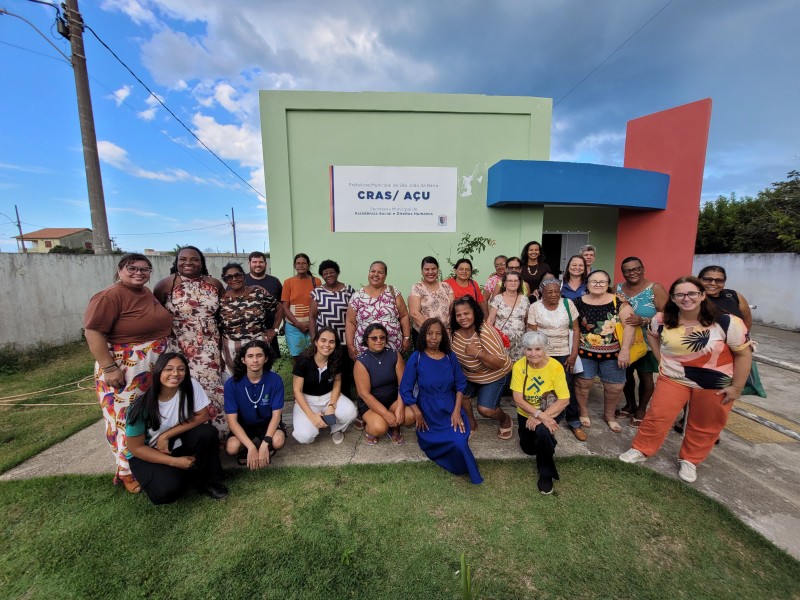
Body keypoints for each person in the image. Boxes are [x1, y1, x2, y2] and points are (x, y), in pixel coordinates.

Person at [619, 277, 753, 483]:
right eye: (680, 294)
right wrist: (660, 358)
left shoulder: (727, 322)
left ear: (702, 295)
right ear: (672, 297)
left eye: (691, 293)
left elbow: (744, 354)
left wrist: (737, 387)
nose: (686, 298)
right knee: (658, 415)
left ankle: (690, 460)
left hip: (714, 382)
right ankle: (641, 449)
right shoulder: (662, 319)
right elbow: (652, 335)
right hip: (674, 377)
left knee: (705, 423)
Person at [83, 253, 173, 493]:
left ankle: (146, 457)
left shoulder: (146, 294)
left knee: (148, 412)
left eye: (145, 269)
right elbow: (92, 332)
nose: (139, 273)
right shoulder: (108, 296)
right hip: (126, 366)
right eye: (132, 268)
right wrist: (109, 367)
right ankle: (126, 470)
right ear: (120, 270)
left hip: (152, 363)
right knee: (125, 417)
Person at [125, 352, 228, 504]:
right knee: (167, 492)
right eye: (169, 369)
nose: (175, 373)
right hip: (146, 454)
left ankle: (208, 481)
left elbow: (203, 415)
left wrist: (165, 436)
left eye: (181, 369)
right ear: (158, 371)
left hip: (172, 443)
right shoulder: (140, 407)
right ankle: (184, 471)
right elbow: (136, 448)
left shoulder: (190, 386)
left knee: (207, 432)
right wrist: (174, 462)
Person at [154, 246, 227, 437]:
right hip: (180, 344)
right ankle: (183, 434)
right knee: (180, 385)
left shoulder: (214, 284)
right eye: (183, 259)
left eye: (194, 259)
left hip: (209, 345)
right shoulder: (165, 285)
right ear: (176, 262)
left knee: (211, 387)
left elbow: (223, 314)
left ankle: (217, 434)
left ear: (201, 262)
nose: (188, 263)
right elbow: (156, 314)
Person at [399, 318, 483, 484]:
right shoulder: (417, 358)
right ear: (423, 335)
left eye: (438, 334)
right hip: (428, 412)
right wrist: (417, 413)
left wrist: (457, 411)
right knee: (434, 441)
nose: (433, 337)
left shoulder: (450, 357)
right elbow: (405, 389)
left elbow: (460, 384)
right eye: (430, 333)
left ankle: (466, 469)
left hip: (450, 408)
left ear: (443, 337)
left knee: (459, 442)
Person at [572, 270, 635, 433]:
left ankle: (609, 416)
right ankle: (583, 412)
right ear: (587, 284)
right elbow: (574, 327)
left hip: (614, 353)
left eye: (602, 282)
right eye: (594, 281)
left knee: (615, 387)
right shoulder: (578, 302)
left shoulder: (619, 302)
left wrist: (625, 350)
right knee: (583, 383)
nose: (598, 285)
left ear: (608, 284)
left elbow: (630, 326)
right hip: (585, 352)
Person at [510, 331, 571, 495]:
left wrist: (543, 417)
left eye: (538, 349)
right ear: (524, 350)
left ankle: (546, 475)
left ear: (545, 349)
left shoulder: (555, 366)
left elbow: (564, 399)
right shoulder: (519, 366)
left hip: (551, 410)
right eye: (529, 349)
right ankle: (549, 442)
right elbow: (518, 399)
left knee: (543, 431)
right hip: (527, 414)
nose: (533, 353)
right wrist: (539, 415)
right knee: (529, 449)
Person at [527, 277, 586, 441]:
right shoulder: (535, 307)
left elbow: (575, 329)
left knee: (566, 387)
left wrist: (573, 354)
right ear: (541, 293)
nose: (553, 295)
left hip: (564, 353)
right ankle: (544, 418)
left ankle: (574, 422)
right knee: (542, 387)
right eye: (549, 292)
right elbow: (532, 334)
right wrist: (537, 356)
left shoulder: (568, 304)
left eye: (556, 291)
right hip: (542, 354)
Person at [450, 295, 513, 440]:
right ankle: (472, 424)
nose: (462, 318)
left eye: (466, 313)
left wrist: (478, 354)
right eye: (458, 315)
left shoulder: (484, 331)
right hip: (471, 375)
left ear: (474, 313)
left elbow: (499, 363)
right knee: (461, 394)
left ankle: (505, 419)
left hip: (495, 374)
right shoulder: (454, 332)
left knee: (486, 409)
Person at [615, 257, 668, 427]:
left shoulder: (655, 288)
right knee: (626, 374)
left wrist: (644, 320)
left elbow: (667, 316)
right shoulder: (617, 288)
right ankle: (630, 404)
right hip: (624, 341)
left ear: (643, 269)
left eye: (636, 269)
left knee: (645, 376)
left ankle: (642, 409)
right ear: (623, 272)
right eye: (628, 270)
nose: (632, 273)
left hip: (647, 342)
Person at [224, 340, 286, 469]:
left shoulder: (275, 380)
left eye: (259, 355)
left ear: (266, 359)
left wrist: (265, 444)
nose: (255, 360)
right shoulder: (231, 384)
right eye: (250, 356)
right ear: (243, 360)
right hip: (244, 425)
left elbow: (276, 415)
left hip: (267, 423)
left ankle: (265, 445)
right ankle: (247, 447)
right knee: (231, 448)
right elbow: (232, 421)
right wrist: (251, 447)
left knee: (278, 441)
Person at [292, 327, 357, 445]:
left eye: (332, 342)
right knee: (304, 436)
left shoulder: (336, 358)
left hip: (328, 397)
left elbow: (337, 382)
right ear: (316, 342)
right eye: (323, 340)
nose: (327, 345)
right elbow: (297, 390)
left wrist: (332, 405)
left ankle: (335, 429)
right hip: (307, 399)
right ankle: (316, 426)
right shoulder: (304, 359)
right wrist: (312, 416)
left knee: (351, 412)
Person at [354, 323, 414, 445]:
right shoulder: (361, 362)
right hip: (370, 403)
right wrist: (386, 414)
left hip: (392, 399)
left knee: (409, 416)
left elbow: (403, 384)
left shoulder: (394, 354)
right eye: (374, 338)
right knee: (379, 428)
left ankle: (394, 427)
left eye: (382, 337)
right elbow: (364, 395)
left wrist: (400, 408)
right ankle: (369, 428)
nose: (379, 341)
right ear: (366, 339)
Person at [218, 262, 283, 375]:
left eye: (238, 275)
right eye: (229, 277)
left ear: (243, 276)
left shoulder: (257, 293)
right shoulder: (222, 299)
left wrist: (275, 329)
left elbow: (279, 308)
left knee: (262, 376)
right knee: (237, 379)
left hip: (258, 344)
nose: (234, 279)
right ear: (225, 280)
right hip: (232, 347)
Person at [346, 260, 412, 357]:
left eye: (380, 272)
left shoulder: (393, 292)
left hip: (391, 346)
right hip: (364, 348)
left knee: (392, 371)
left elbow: (404, 315)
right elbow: (350, 322)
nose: (376, 274)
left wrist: (406, 338)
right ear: (369, 273)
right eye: (373, 271)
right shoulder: (357, 296)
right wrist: (350, 345)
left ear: (385, 275)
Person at [309, 259, 356, 395]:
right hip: (324, 342)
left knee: (345, 372)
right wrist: (314, 339)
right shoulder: (317, 292)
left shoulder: (349, 290)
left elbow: (354, 316)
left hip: (344, 340)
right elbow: (312, 317)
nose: (329, 275)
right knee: (326, 370)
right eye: (325, 273)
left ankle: (345, 398)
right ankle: (327, 398)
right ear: (322, 275)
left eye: (332, 272)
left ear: (337, 273)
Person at [281, 253, 321, 361]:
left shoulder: (316, 281)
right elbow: (285, 307)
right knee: (297, 358)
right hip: (293, 327)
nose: (301, 265)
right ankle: (298, 378)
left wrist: (310, 324)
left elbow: (319, 304)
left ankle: (312, 378)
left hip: (312, 326)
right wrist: (298, 324)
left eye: (304, 263)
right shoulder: (288, 282)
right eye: (298, 263)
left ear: (308, 265)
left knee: (314, 356)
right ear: (294, 266)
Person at [245, 251, 283, 358]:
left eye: (261, 262)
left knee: (269, 363)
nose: (258, 264)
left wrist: (275, 329)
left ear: (265, 264)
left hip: (269, 335)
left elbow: (281, 307)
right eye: (254, 262)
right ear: (249, 264)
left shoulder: (274, 282)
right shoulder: (240, 281)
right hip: (246, 335)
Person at [408, 256, 455, 342]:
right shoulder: (417, 287)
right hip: (425, 335)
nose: (430, 272)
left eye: (433, 269)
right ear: (422, 271)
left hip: (446, 334)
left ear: (438, 270)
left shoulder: (446, 286)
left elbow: (453, 310)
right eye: (427, 269)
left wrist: (446, 332)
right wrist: (433, 333)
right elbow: (414, 313)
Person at [487, 271, 530, 361]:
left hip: (519, 343)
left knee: (517, 367)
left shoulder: (525, 299)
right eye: (510, 281)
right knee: (502, 365)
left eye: (516, 281)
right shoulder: (498, 299)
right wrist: (489, 339)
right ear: (505, 283)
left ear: (519, 283)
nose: (513, 283)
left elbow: (527, 322)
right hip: (501, 341)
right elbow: (490, 320)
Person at [697, 265, 753, 330]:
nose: (713, 283)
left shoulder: (734, 296)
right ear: (699, 280)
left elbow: (747, 322)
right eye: (707, 279)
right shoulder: (691, 298)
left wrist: (743, 338)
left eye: (719, 280)